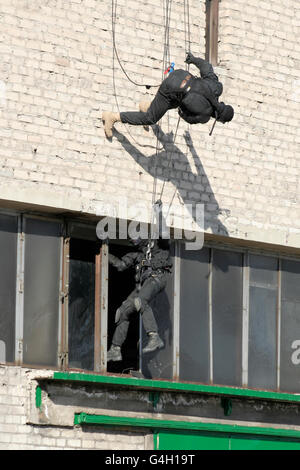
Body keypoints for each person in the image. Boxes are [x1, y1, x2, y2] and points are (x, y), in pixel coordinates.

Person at [102, 52, 234, 138]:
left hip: (180, 74)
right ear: (218, 118)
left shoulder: (216, 87)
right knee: (151, 118)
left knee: (177, 101)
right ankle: (113, 117)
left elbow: (206, 67)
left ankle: (149, 106)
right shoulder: (204, 116)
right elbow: (184, 116)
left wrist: (193, 59)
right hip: (171, 89)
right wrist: (185, 110)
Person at [107, 238, 172, 362]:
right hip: (142, 285)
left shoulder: (158, 247)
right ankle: (115, 350)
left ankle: (154, 337)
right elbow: (120, 265)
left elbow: (165, 235)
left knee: (141, 301)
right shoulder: (137, 256)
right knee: (122, 311)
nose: (134, 241)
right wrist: (105, 254)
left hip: (156, 278)